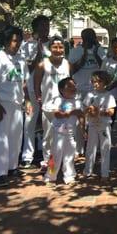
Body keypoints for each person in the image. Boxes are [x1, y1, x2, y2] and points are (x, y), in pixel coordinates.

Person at [0, 25, 30, 187]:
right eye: (13, 41)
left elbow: (24, 83)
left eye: (19, 41)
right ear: (5, 41)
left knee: (16, 138)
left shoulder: (20, 59)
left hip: (17, 103)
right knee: (1, 138)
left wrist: (28, 100)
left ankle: (12, 167)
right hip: (2, 103)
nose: (16, 44)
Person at [32, 36, 71, 171]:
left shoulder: (66, 63)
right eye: (55, 47)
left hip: (63, 106)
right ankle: (48, 164)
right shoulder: (43, 64)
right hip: (48, 106)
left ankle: (62, 164)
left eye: (61, 47)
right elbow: (36, 84)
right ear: (49, 49)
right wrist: (38, 97)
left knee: (63, 135)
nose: (58, 50)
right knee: (48, 137)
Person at [19, 15, 51, 169]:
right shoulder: (27, 46)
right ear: (36, 28)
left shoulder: (54, 44)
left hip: (50, 91)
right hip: (32, 90)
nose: (46, 28)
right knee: (30, 123)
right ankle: (27, 156)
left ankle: (48, 155)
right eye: (43, 26)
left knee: (48, 124)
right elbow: (27, 69)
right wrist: (38, 55)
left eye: (48, 25)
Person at [69, 28, 106, 153]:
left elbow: (104, 68)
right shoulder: (75, 51)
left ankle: (97, 148)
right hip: (79, 90)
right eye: (87, 37)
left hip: (95, 91)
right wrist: (84, 54)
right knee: (80, 120)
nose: (90, 39)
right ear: (83, 38)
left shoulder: (99, 50)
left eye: (92, 36)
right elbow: (72, 70)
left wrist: (96, 54)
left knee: (96, 118)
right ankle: (79, 149)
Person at [42, 77, 84, 185]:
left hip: (71, 132)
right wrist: (70, 113)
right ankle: (50, 176)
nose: (72, 88)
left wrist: (83, 129)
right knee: (55, 154)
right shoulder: (58, 100)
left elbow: (80, 115)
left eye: (74, 86)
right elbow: (57, 114)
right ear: (61, 89)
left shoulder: (77, 101)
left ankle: (69, 176)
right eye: (69, 86)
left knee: (69, 155)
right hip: (58, 131)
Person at [83, 71, 116, 180]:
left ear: (105, 82)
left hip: (104, 125)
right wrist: (89, 111)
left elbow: (111, 111)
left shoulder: (109, 95)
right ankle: (88, 171)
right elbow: (84, 110)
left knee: (105, 148)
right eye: (94, 81)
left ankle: (105, 173)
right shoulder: (90, 95)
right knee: (90, 148)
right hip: (92, 125)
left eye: (99, 81)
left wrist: (99, 112)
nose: (96, 84)